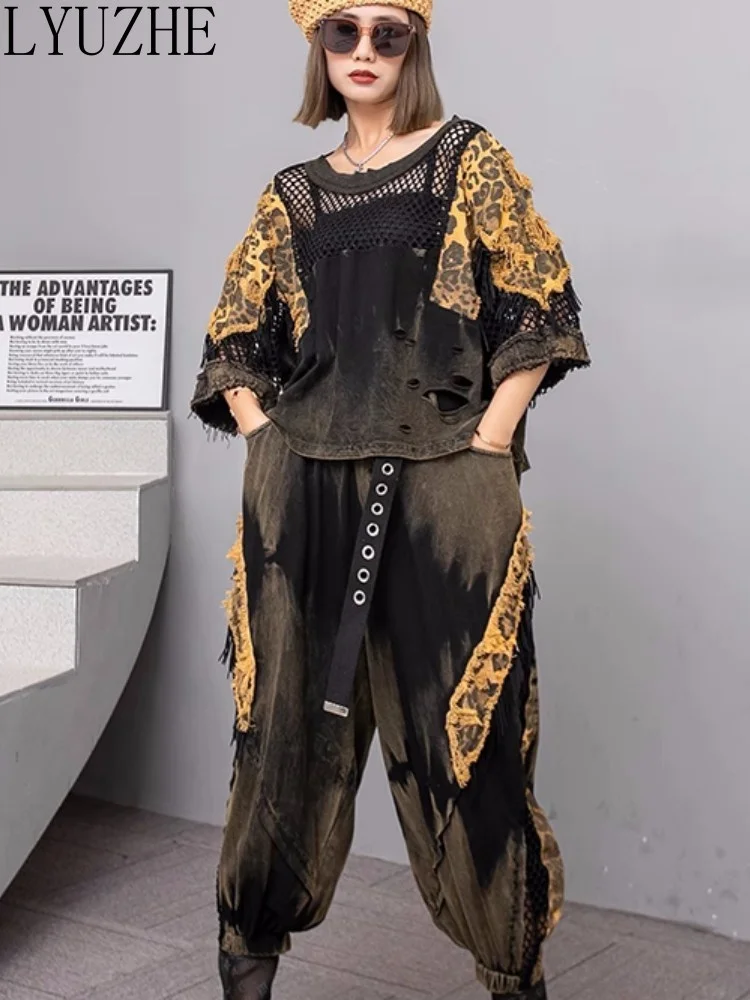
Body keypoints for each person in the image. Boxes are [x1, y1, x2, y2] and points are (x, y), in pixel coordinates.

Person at [190, 2, 590, 997]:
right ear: (317, 47)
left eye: (388, 31)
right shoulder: (293, 195)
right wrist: (263, 434)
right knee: (280, 732)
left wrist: (487, 439)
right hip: (304, 489)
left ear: (415, 43)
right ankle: (246, 960)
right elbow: (236, 331)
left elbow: (538, 302)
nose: (364, 50)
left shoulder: (466, 159)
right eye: (343, 31)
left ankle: (513, 967)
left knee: (469, 741)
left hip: (445, 491)